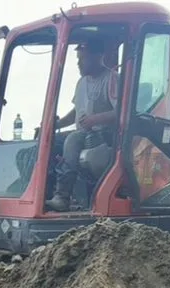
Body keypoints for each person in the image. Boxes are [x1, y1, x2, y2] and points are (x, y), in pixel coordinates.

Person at [45, 38, 119, 211]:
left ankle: (63, 197)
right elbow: (76, 111)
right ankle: (47, 192)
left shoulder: (112, 79)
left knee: (72, 140)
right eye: (78, 59)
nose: (78, 63)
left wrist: (95, 119)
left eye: (82, 59)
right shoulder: (82, 83)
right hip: (83, 132)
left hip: (104, 135)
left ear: (98, 57)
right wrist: (55, 124)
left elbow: (122, 112)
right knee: (49, 141)